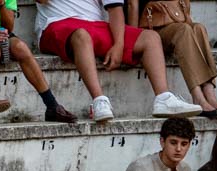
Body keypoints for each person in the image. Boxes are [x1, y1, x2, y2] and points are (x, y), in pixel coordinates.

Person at [31, 0, 201, 123]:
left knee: (150, 38)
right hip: (56, 23)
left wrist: (119, 45)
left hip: (95, 24)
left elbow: (115, 10)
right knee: (82, 35)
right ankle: (99, 101)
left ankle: (163, 98)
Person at [0, 0, 75, 123]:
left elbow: (9, 27)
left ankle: (52, 105)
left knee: (21, 48)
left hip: (0, 32)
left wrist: (2, 4)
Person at [125, 0, 217, 116]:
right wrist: (132, 37)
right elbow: (131, 5)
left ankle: (210, 95)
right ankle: (197, 97)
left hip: (174, 20)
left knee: (199, 28)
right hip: (152, 28)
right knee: (183, 30)